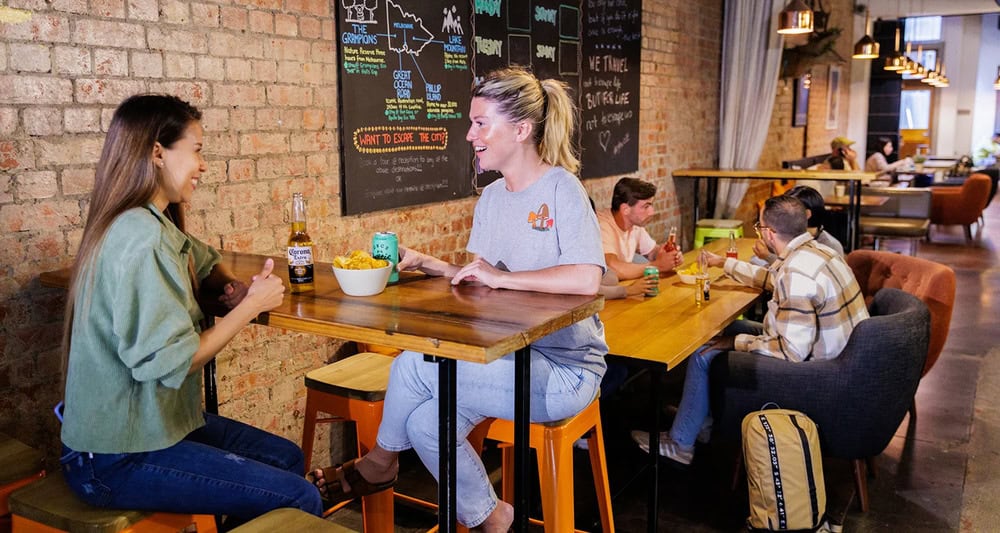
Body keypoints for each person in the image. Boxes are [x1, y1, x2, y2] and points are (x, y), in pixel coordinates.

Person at [310, 67, 608, 532]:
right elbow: (484, 286)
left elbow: (587, 280)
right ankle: (497, 519)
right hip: (506, 357)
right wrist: (438, 266)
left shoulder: (562, 189)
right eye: (471, 123)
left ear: (522, 129)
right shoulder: (490, 198)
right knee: (425, 424)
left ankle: (378, 466)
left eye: (480, 123)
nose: (470, 135)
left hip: (564, 370)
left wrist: (499, 279)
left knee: (412, 365)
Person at [59, 94, 321, 530]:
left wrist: (229, 287)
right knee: (299, 496)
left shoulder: (147, 220)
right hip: (113, 457)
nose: (202, 165)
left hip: (152, 428)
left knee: (286, 457)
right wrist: (249, 306)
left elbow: (200, 256)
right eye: (196, 150)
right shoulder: (140, 238)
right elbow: (174, 363)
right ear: (157, 152)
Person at [631, 195, 869, 465]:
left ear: (769, 233)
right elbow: (773, 278)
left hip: (815, 376)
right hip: (844, 364)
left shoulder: (797, 274)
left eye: (759, 227)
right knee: (723, 333)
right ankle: (699, 422)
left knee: (704, 352)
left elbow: (791, 351)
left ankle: (680, 444)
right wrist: (725, 264)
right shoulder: (819, 252)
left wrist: (735, 342)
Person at [597, 177, 684, 281]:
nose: (652, 212)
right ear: (625, 209)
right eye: (646, 207)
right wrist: (657, 266)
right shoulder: (602, 225)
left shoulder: (634, 224)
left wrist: (668, 255)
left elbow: (652, 252)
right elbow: (612, 267)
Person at [753, 185, 844, 263]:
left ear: (807, 214)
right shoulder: (785, 234)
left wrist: (768, 256)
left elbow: (801, 272)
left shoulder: (831, 246)